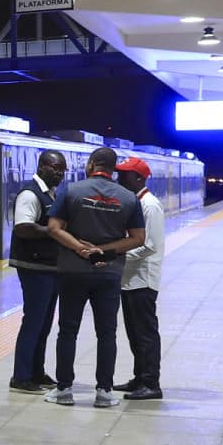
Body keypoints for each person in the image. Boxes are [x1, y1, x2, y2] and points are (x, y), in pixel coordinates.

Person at [44, 147, 146, 408]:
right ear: (112, 169)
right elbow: (138, 238)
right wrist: (105, 251)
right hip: (109, 273)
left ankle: (64, 389)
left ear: (91, 164)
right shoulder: (129, 198)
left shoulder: (71, 190)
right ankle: (103, 392)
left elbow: (54, 229)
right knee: (107, 333)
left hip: (73, 271)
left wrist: (81, 249)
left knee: (68, 330)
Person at [8, 150, 67, 394]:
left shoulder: (49, 194)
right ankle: (21, 376)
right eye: (55, 168)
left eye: (62, 169)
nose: (59, 173)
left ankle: (36, 371)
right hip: (34, 268)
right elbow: (23, 228)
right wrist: (54, 231)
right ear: (42, 166)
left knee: (44, 323)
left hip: (49, 267)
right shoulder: (30, 195)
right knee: (33, 321)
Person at [113, 157, 165, 400]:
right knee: (135, 332)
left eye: (124, 175)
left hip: (142, 279)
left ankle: (151, 383)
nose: (119, 179)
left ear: (139, 178)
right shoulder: (136, 202)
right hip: (131, 279)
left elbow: (149, 246)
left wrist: (116, 255)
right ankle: (139, 377)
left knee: (145, 333)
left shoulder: (149, 206)